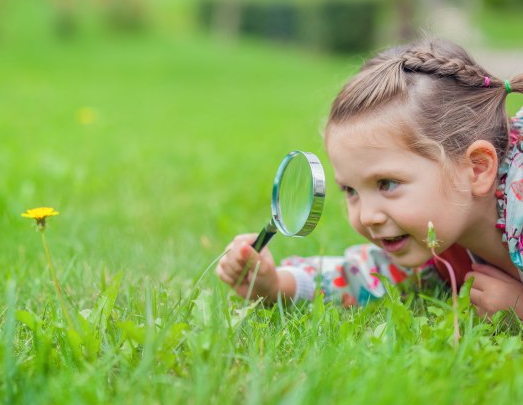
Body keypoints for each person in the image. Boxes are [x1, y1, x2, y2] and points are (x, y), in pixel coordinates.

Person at [216, 38, 523, 318]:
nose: (366, 216)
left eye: (387, 184)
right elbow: (368, 274)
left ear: (477, 169)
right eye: (350, 190)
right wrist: (275, 285)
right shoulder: (436, 235)